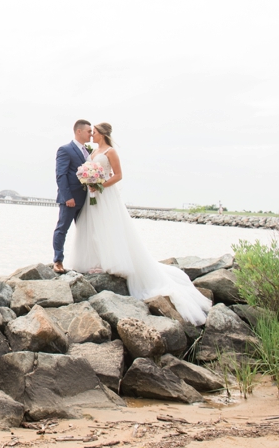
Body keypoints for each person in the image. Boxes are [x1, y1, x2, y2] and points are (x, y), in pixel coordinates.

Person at [67, 122, 212, 326]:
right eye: (91, 132)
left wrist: (99, 185)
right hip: (94, 196)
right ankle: (95, 258)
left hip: (105, 195)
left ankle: (110, 260)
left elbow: (118, 175)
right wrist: (88, 181)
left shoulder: (110, 151)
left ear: (103, 134)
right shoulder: (93, 150)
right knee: (93, 226)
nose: (92, 135)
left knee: (109, 226)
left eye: (95, 132)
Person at [52, 119, 93, 274]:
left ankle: (84, 262)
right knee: (62, 228)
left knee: (85, 231)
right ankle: (58, 261)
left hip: (85, 199)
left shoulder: (87, 151)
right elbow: (61, 175)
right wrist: (67, 196)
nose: (91, 134)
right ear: (79, 131)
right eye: (89, 131)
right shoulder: (65, 149)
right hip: (70, 199)